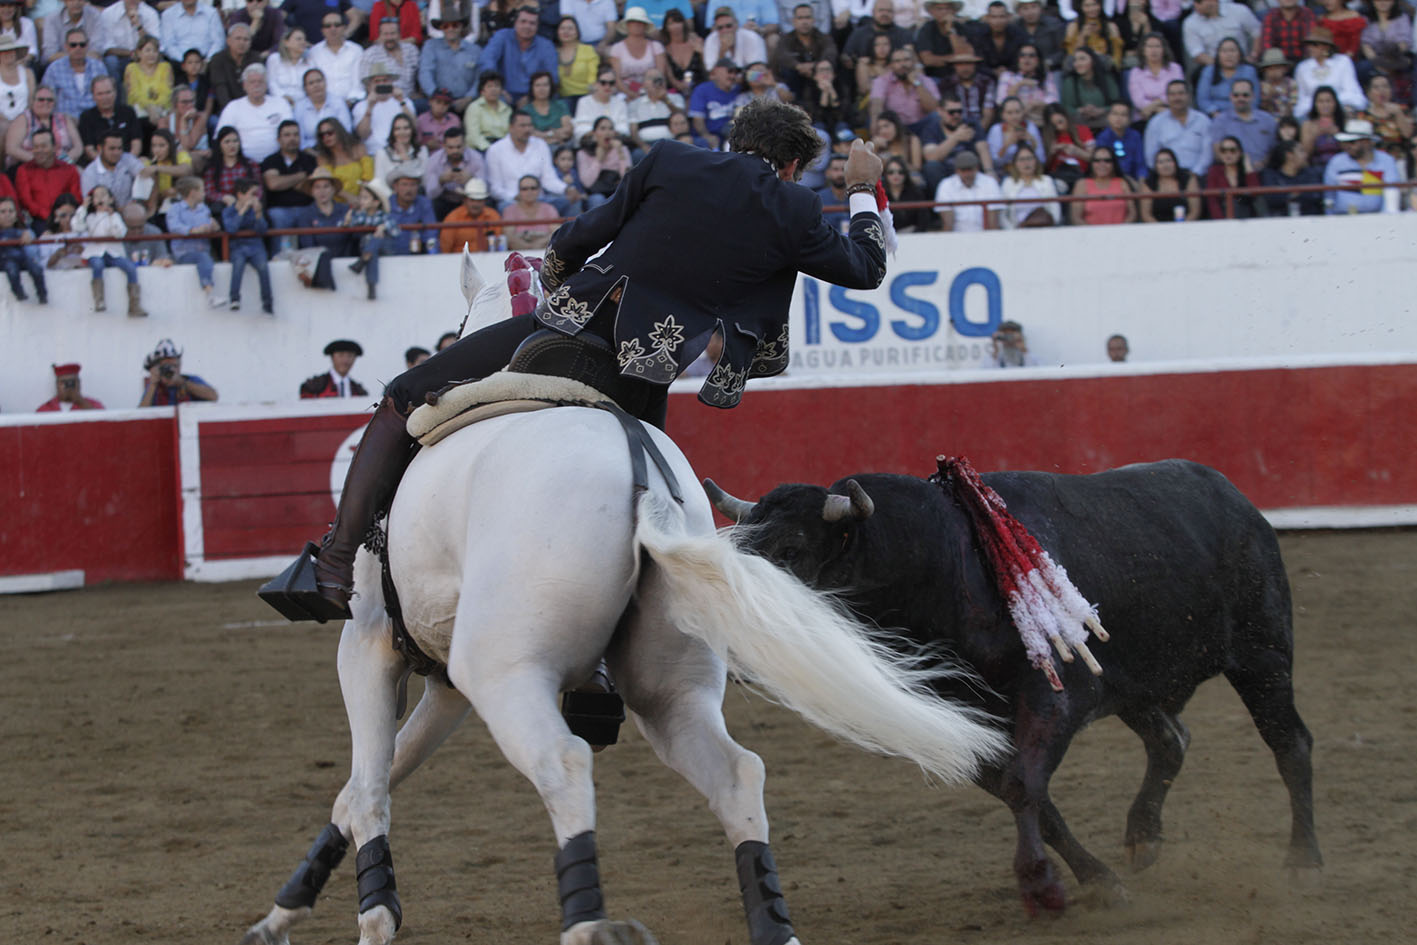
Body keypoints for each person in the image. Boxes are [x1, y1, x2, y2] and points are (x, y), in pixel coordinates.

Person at [267, 99, 888, 620]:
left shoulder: (672, 159)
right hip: (642, 384)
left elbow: (581, 235)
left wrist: (557, 281)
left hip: (568, 332)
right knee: (650, 507)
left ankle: (336, 562)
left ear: (733, 141)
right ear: (791, 166)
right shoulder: (796, 207)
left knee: (404, 394)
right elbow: (867, 268)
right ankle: (603, 661)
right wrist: (861, 187)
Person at [75, 183, 146, 315]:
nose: (100, 198)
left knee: (130, 267)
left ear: (111, 199)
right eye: (96, 196)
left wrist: (111, 216)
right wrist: (83, 207)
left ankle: (134, 304)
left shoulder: (116, 216)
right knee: (97, 265)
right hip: (95, 251)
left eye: (103, 195)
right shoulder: (90, 217)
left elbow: (119, 233)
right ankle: (99, 300)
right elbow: (77, 227)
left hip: (113, 252)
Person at [485, 110, 572, 209]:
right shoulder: (495, 149)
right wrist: (514, 196)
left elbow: (548, 179)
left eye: (530, 125)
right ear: (511, 128)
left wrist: (566, 189)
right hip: (512, 201)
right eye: (522, 126)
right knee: (504, 207)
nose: (527, 129)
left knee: (571, 200)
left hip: (540, 200)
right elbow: (495, 188)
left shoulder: (541, 145)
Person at [476, 5, 556, 102]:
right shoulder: (502, 36)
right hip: (503, 93)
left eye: (532, 23)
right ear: (515, 23)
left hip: (534, 96)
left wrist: (531, 97)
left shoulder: (546, 45)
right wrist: (498, 88)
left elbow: (552, 76)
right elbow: (487, 60)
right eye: (523, 21)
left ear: (537, 26)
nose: (527, 26)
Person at [216, 63, 293, 163]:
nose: (256, 85)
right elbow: (221, 136)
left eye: (260, 82)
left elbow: (291, 132)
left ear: (266, 85)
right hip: (243, 163)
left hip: (278, 161)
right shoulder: (233, 107)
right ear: (244, 85)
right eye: (252, 82)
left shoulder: (280, 103)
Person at [167, 176, 224, 307]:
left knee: (204, 257)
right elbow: (174, 226)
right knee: (203, 258)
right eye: (202, 190)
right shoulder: (175, 209)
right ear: (193, 192)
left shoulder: (204, 208)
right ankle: (210, 293)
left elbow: (210, 224)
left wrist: (213, 227)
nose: (204, 193)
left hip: (203, 250)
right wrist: (193, 230)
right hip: (184, 253)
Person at [1323, 117, 1401, 213]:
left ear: (1366, 142)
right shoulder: (1336, 161)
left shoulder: (1386, 161)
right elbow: (1329, 196)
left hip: (1377, 220)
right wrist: (1330, 218)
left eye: (1352, 142)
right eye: (1345, 142)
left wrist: (1385, 219)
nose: (1347, 146)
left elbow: (1391, 192)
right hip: (1342, 219)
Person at [292, 165, 350, 288]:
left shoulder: (345, 210)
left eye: (326, 186)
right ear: (312, 191)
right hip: (320, 264)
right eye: (317, 187)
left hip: (346, 263)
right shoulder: (305, 214)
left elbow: (355, 238)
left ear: (333, 189)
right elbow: (308, 245)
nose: (322, 191)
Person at [221, 177, 273, 313]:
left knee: (263, 267)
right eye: (252, 194)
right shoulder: (228, 211)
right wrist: (243, 210)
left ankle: (267, 303)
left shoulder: (256, 209)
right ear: (240, 195)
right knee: (238, 265)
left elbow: (262, 230)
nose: (255, 198)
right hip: (238, 247)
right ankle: (234, 299)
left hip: (256, 246)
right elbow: (231, 229)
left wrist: (258, 213)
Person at [920, 94, 992, 191]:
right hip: (945, 173)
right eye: (951, 112)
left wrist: (990, 171)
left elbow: (983, 149)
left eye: (959, 111)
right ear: (940, 111)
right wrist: (955, 138)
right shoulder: (931, 129)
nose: (956, 115)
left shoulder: (971, 125)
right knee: (931, 167)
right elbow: (930, 157)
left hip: (970, 169)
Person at [15, 128, 79, 234]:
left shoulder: (69, 170)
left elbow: (76, 197)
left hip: (68, 218)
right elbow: (26, 201)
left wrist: (63, 215)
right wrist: (49, 216)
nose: (39, 150)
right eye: (36, 146)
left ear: (54, 147)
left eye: (44, 146)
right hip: (38, 220)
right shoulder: (24, 170)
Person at [1143, 79, 1212, 175]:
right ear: (1167, 98)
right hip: (1166, 177)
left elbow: (1207, 154)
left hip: (1198, 176)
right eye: (1172, 94)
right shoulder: (1156, 123)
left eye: (1181, 93)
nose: (1177, 98)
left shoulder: (1203, 121)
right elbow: (1151, 156)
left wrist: (1195, 174)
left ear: (1188, 96)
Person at [1293, 26, 1365, 117]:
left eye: (1315, 45)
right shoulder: (1302, 68)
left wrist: (1330, 103)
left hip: (1341, 109)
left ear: (1326, 47)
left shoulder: (1343, 62)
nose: (1310, 48)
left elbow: (1352, 92)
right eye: (1309, 44)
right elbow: (1301, 99)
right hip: (1311, 113)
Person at [419, 6, 479, 112]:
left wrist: (469, 98)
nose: (450, 29)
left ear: (461, 27)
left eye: (455, 25)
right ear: (441, 28)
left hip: (467, 102)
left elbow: (479, 77)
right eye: (446, 26)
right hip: (438, 101)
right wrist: (436, 97)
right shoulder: (431, 46)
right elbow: (425, 73)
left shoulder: (474, 50)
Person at [5, 84, 82, 166]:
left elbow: (78, 147)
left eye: (50, 100)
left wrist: (63, 162)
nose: (45, 102)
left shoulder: (64, 118)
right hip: (29, 165)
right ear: (33, 101)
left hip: (62, 165)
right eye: (41, 99)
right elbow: (11, 149)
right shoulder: (23, 119)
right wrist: (41, 162)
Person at [1209, 77, 1276, 168]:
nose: (1240, 99)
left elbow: (1274, 149)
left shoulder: (1268, 120)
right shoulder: (1220, 121)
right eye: (1236, 95)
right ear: (1230, 97)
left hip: (1263, 172)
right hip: (1232, 172)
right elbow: (1217, 153)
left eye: (1245, 95)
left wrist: (1263, 163)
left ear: (1253, 96)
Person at [344, 177, 394, 298]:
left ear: (376, 202)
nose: (361, 201)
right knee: (372, 255)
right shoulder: (360, 215)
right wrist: (347, 220)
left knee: (376, 239)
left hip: (385, 248)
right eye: (361, 197)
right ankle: (371, 284)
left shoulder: (383, 215)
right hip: (370, 249)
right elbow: (348, 225)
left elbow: (395, 228)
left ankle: (363, 260)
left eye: (365, 198)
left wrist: (383, 227)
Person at [42, 28, 107, 117]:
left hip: (94, 120)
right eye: (73, 45)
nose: (78, 48)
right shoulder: (54, 69)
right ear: (66, 47)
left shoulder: (99, 67)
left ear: (87, 46)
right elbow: (47, 99)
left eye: (82, 44)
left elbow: (107, 97)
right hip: (65, 121)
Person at [139, 337, 218, 407]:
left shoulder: (191, 379)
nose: (170, 369)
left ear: (179, 366)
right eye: (166, 365)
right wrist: (153, 384)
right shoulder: (154, 385)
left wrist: (181, 382)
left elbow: (214, 396)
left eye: (174, 365)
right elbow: (141, 414)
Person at [935, 149, 1001, 231]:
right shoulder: (946, 185)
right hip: (956, 239)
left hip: (985, 237)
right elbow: (948, 224)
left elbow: (993, 223)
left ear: (977, 168)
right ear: (957, 170)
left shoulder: (990, 183)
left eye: (970, 169)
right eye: (963, 170)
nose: (967, 174)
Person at [78, 75, 141, 161]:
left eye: (108, 92)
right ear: (93, 96)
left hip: (128, 161)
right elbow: (90, 150)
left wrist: (126, 163)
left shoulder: (128, 112)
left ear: (115, 93)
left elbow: (136, 143)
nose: (105, 97)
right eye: (100, 94)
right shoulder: (86, 117)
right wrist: (107, 164)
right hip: (100, 164)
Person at [307, 10, 364, 106]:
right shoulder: (314, 52)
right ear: (322, 30)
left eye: (337, 25)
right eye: (328, 26)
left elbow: (358, 83)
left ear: (344, 28)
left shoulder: (356, 50)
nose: (333, 29)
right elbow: (313, 81)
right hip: (324, 103)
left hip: (354, 102)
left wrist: (351, 100)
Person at [98, 0, 161, 86]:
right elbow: (107, 48)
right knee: (111, 62)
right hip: (120, 58)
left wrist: (139, 26)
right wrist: (131, 53)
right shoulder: (108, 14)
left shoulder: (150, 13)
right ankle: (116, 98)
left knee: (159, 60)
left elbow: (155, 45)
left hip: (143, 57)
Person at [610, 6, 668, 98]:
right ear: (627, 25)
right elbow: (617, 79)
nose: (637, 24)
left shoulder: (656, 47)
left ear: (645, 25)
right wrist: (631, 94)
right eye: (633, 21)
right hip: (625, 93)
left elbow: (661, 76)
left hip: (653, 91)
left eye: (640, 22)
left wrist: (651, 93)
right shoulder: (617, 48)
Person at [995, 43, 1058, 126]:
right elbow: (1001, 101)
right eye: (1022, 55)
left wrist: (1036, 104)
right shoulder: (1007, 76)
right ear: (1018, 59)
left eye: (1031, 55)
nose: (1027, 59)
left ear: (1038, 60)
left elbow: (1054, 99)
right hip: (1014, 120)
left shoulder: (1046, 76)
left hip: (1040, 119)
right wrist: (1020, 84)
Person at [999, 143, 1061, 226]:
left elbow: (1055, 209)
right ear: (1015, 164)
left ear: (1035, 161)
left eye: (1029, 158)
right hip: (1016, 231)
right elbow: (1002, 214)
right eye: (1021, 159)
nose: (1026, 163)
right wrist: (1012, 232)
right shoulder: (1008, 183)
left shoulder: (1046, 180)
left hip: (1044, 229)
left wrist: (1050, 228)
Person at [1127, 31, 1182, 125]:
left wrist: (1155, 105)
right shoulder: (1135, 72)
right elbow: (1138, 101)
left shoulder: (1175, 68)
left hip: (1171, 114)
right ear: (1143, 50)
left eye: (1157, 46)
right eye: (1150, 47)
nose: (1154, 50)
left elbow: (1177, 94)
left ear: (1163, 49)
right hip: (1144, 117)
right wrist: (1158, 108)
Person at [1195, 36, 1259, 117]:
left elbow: (1255, 99)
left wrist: (1242, 115)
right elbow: (1203, 100)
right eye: (1224, 51)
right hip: (1215, 117)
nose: (1229, 55)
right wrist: (1216, 114)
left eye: (1232, 50)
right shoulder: (1209, 71)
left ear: (1240, 54)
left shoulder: (1249, 71)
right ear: (1218, 55)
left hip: (1244, 115)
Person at [359, 16, 419, 100]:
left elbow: (420, 75)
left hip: (410, 98)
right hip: (383, 99)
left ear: (399, 34)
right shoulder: (370, 54)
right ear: (380, 35)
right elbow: (367, 84)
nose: (389, 38)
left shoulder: (411, 50)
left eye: (392, 33)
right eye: (386, 34)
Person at [1071, 145, 1135, 223]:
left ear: (1113, 163)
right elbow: (1076, 217)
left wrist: (1121, 231)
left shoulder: (1122, 183)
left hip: (1120, 233)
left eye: (1107, 160)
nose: (1102, 164)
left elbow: (1132, 213)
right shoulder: (1082, 184)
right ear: (1091, 163)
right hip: (1090, 233)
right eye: (1097, 160)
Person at [577, 115, 631, 208]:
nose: (607, 132)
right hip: (595, 194)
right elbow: (587, 182)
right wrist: (598, 160)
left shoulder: (622, 149)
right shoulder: (583, 153)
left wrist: (620, 153)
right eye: (602, 128)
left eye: (610, 129)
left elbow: (628, 179)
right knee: (598, 199)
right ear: (594, 133)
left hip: (615, 190)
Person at [313, 116, 372, 201]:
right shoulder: (323, 158)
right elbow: (329, 184)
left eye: (329, 133)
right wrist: (351, 198)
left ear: (338, 131)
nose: (326, 137)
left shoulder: (358, 148)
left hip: (364, 199)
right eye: (322, 135)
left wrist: (362, 197)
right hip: (339, 203)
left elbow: (368, 176)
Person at [1059, 46, 1116, 131]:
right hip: (1079, 125)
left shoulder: (1107, 79)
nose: (1077, 63)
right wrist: (1081, 110)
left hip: (1105, 123)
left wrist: (1101, 110)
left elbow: (1116, 104)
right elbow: (1066, 107)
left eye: (1082, 59)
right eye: (1075, 60)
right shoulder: (1070, 81)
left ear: (1093, 61)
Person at [1260, 138, 1323, 215]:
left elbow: (1315, 196)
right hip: (1280, 221)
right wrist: (1297, 193)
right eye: (1301, 151)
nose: (1306, 155)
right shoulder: (1271, 175)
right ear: (1289, 155)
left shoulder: (1310, 173)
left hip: (1309, 220)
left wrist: (1289, 195)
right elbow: (1272, 199)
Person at [208, 23, 261, 115]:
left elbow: (257, 87)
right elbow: (221, 90)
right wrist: (233, 112)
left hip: (252, 109)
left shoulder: (256, 58)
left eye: (246, 39)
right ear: (228, 41)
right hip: (225, 109)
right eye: (238, 38)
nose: (242, 43)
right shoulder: (218, 59)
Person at [293, 68, 353, 150]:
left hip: (337, 149)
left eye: (319, 81)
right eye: (311, 83)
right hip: (310, 152)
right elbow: (300, 138)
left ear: (325, 83)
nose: (316, 85)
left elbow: (346, 130)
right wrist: (312, 153)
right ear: (305, 88)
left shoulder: (338, 102)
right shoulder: (300, 107)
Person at [80, 129, 143, 205]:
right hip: (105, 214)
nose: (117, 153)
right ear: (99, 148)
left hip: (132, 209)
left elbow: (147, 175)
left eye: (119, 148)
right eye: (112, 149)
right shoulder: (89, 174)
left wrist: (150, 208)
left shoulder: (127, 158)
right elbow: (91, 204)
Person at [1204, 133, 1261, 218]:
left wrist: (1248, 167)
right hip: (1223, 217)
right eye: (1223, 151)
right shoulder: (1214, 171)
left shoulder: (1247, 171)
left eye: (1232, 150)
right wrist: (1222, 223)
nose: (1228, 154)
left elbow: (1256, 193)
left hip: (1247, 218)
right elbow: (1213, 200)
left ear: (1240, 153)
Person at [688, 57, 740, 148]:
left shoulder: (739, 90)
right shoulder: (703, 90)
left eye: (736, 73)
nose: (733, 76)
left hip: (731, 135)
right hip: (710, 136)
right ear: (716, 71)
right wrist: (706, 136)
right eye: (730, 71)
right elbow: (698, 120)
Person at [0, 195, 44, 302]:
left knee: (36, 269)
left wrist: (28, 238)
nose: (8, 215)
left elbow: (34, 254)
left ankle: (42, 294)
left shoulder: (25, 231)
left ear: (16, 214)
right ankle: (19, 294)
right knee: (12, 270)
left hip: (23, 260)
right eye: (3, 211)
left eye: (11, 211)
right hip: (6, 262)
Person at [440, 176, 501, 251]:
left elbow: (499, 245)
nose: (475, 204)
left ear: (484, 201)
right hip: (459, 261)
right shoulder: (452, 218)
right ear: (465, 200)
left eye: (479, 200)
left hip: (488, 259)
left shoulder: (493, 216)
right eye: (472, 200)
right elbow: (445, 249)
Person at [1139, 145, 1200, 221]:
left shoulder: (1188, 179)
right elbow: (1146, 214)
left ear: (1175, 162)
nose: (1165, 165)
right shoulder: (1149, 183)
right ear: (1156, 166)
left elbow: (1195, 211)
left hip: (1185, 227)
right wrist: (1161, 230)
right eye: (1160, 162)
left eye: (1168, 160)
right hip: (1157, 229)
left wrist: (1181, 228)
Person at [1041, 101, 1093, 188]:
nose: (1058, 127)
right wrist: (1051, 153)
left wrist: (1077, 152)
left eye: (1060, 122)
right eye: (1054, 125)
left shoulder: (1083, 130)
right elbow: (1043, 168)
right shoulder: (1048, 136)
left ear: (1066, 117)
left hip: (1081, 176)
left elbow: (1094, 158)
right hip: (1057, 177)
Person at [159, 0, 224, 64]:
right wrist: (187, 62)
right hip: (179, 63)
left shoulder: (211, 13)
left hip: (207, 62)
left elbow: (218, 42)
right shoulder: (168, 15)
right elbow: (168, 45)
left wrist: (207, 60)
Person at [300, 339, 368, 398]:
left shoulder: (359, 391)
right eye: (341, 355)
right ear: (332, 357)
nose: (345, 360)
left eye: (350, 356)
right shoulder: (314, 386)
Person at [373, 111, 426, 186]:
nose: (402, 132)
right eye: (397, 129)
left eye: (406, 128)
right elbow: (380, 183)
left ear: (412, 130)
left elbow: (423, 181)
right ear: (393, 132)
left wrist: (405, 158)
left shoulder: (422, 150)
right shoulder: (382, 153)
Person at [1095, 100, 1145, 178]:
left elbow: (1140, 163)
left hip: (1134, 179)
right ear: (1108, 117)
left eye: (1123, 115)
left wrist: (1142, 181)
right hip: (1112, 179)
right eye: (1115, 114)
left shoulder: (1135, 136)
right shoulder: (1103, 137)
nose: (1118, 118)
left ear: (1129, 119)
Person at [465, 69, 514, 151]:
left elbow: (511, 133)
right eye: (489, 86)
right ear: (482, 91)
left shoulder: (507, 109)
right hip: (481, 149)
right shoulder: (474, 107)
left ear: (501, 90)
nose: (493, 89)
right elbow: (473, 136)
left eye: (497, 86)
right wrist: (490, 149)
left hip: (503, 148)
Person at [555, 14, 600, 102]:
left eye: (570, 28)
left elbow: (593, 77)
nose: (566, 32)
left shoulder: (588, 50)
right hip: (563, 98)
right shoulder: (554, 53)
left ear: (577, 32)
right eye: (562, 28)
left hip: (587, 96)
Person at [0, 35, 34, 148]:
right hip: (1, 120)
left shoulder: (28, 73)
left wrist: (20, 121)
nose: (7, 53)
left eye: (10, 50)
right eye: (3, 51)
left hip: (25, 119)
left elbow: (31, 100)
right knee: (2, 129)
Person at [1301, 84, 1347, 169]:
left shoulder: (1344, 122)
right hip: (1316, 167)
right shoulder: (1308, 125)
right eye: (1320, 101)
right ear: (1315, 104)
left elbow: (1350, 151)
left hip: (1341, 166)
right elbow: (1305, 154)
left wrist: (1338, 136)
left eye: (1328, 101)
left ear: (1335, 103)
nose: (1325, 105)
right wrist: (1315, 135)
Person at [1260, 0, 1317, 64]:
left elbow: (1311, 41)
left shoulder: (1307, 14)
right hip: (1278, 63)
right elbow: (1267, 44)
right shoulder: (1271, 16)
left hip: (1303, 60)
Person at [265, 26, 311, 106]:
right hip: (279, 102)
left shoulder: (309, 61)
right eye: (299, 39)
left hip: (305, 104)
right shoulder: (275, 59)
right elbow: (271, 83)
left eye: (304, 39)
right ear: (286, 42)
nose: (303, 42)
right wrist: (283, 96)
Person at [36, 362, 103, 411]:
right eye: (63, 382)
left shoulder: (94, 405)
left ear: (79, 384)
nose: (69, 386)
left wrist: (80, 401)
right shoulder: (46, 408)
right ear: (57, 385)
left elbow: (102, 422)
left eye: (72, 382)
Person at [1257, 47, 1299, 119]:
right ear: (1264, 71)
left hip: (1286, 122)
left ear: (1285, 69)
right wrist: (1269, 97)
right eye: (1270, 69)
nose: (1274, 71)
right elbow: (1261, 110)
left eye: (1277, 67)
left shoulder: (1292, 84)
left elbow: (1293, 107)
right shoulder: (1260, 86)